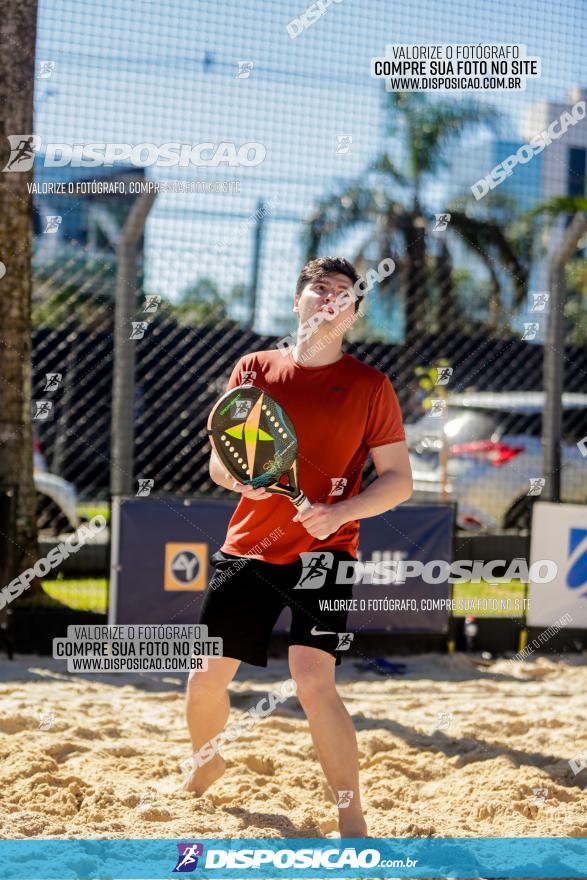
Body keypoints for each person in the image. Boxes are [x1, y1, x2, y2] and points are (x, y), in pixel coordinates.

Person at [182, 256, 413, 838]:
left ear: (355, 313)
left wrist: (338, 511)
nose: (329, 296)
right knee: (207, 677)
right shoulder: (254, 368)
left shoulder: (370, 386)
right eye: (318, 287)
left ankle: (351, 815)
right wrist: (231, 476)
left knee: (313, 677)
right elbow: (221, 457)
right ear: (297, 302)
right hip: (250, 545)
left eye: (343, 292)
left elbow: (397, 481)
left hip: (326, 550)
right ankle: (208, 760)